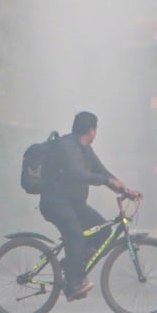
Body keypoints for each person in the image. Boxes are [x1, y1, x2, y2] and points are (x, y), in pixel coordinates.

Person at [40, 111, 141, 301]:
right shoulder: (66, 147)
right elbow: (77, 174)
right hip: (56, 204)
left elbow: (101, 170)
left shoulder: (85, 149)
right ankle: (73, 283)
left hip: (75, 204)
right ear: (92, 131)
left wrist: (125, 190)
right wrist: (104, 181)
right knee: (76, 236)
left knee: (104, 233)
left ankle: (72, 266)